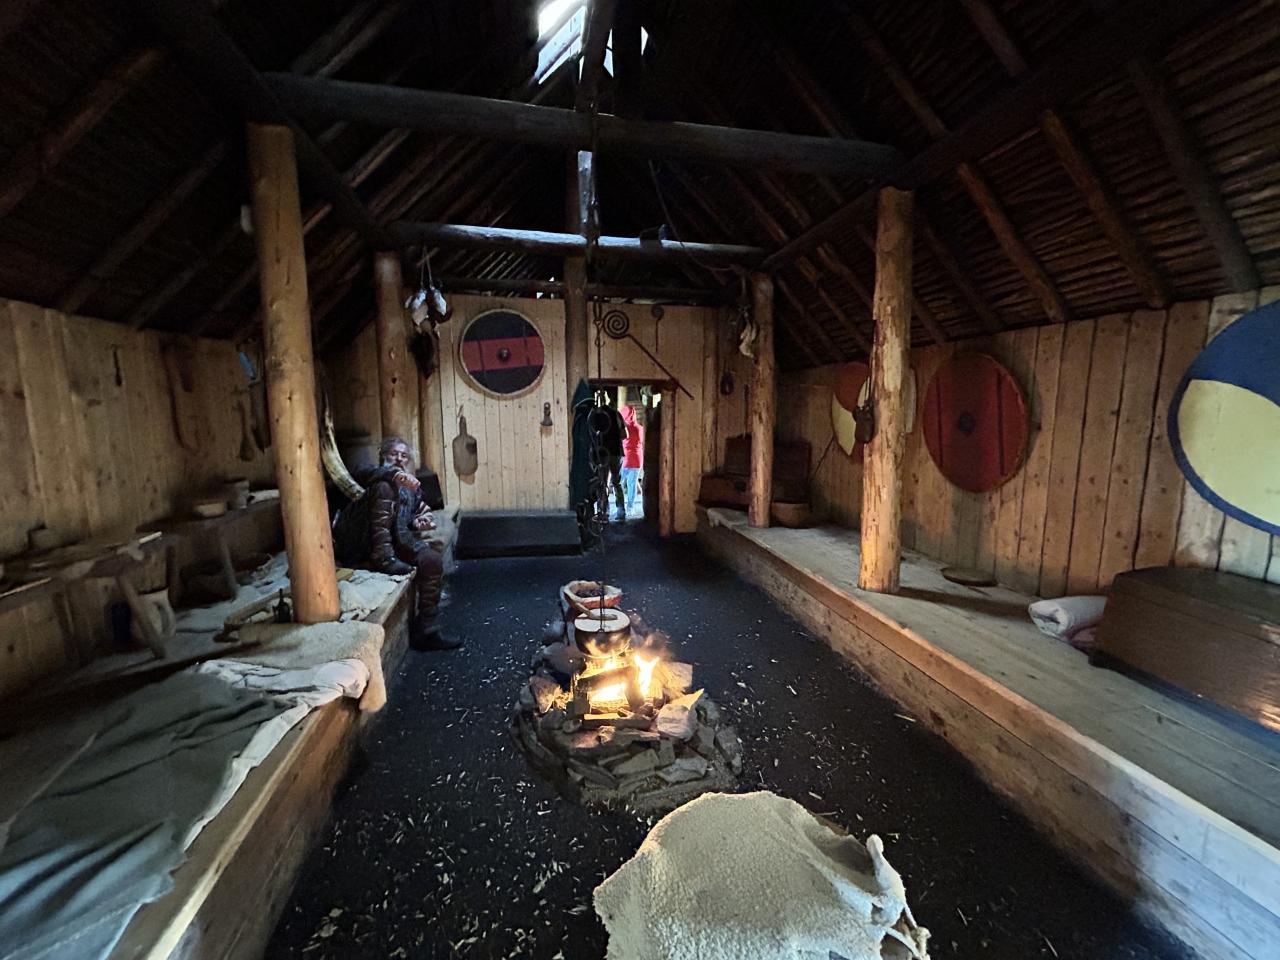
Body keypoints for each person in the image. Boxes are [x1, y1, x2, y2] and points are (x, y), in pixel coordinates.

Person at [332, 436, 460, 651]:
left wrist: (420, 521)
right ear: (383, 456)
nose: (399, 459)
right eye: (394, 454)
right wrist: (393, 475)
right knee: (385, 486)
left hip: (397, 540)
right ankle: (382, 557)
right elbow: (360, 471)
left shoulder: (411, 489)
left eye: (404, 456)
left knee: (431, 560)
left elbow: (418, 512)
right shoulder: (375, 476)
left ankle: (427, 630)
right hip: (362, 541)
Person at [620, 402, 644, 517]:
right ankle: (630, 507)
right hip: (637, 460)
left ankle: (620, 507)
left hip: (625, 459)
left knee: (618, 483)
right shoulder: (640, 428)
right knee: (632, 485)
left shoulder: (623, 429)